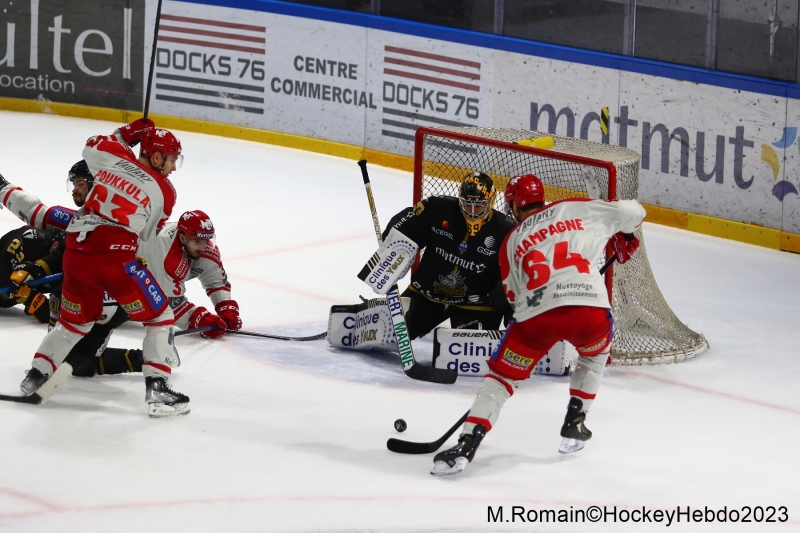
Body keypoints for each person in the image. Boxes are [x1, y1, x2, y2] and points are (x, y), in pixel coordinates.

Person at [431, 174, 645, 475]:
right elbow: (636, 212)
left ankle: (467, 444)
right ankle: (575, 422)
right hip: (590, 313)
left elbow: (512, 295)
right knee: (594, 357)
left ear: (513, 206)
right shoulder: (578, 207)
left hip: (536, 319)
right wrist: (625, 234)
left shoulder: (511, 240)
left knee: (499, 381)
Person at [0, 118, 191, 418]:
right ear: (155, 157)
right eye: (170, 159)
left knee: (73, 324)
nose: (173, 167)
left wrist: (126, 134)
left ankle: (34, 378)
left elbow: (92, 144)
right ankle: (157, 388)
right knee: (160, 315)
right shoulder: (165, 190)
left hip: (76, 253)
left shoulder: (113, 158)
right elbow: (146, 236)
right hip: (115, 257)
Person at [373, 172, 515, 339]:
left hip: (477, 306)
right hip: (427, 294)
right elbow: (404, 228)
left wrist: (505, 306)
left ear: (491, 200)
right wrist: (391, 249)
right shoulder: (437, 208)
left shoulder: (505, 230)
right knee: (385, 334)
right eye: (467, 204)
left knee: (468, 358)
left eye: (479, 205)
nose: (472, 211)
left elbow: (513, 274)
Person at [0, 225, 63, 323]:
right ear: (56, 244)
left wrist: (30, 297)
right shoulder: (38, 238)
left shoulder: (64, 277)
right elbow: (7, 255)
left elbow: (53, 314)